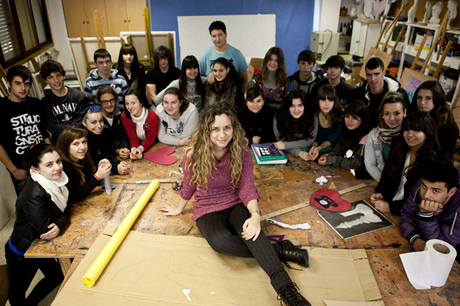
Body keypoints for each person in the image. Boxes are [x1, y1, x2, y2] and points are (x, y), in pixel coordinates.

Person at [159, 104, 311, 306]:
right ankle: (280, 249)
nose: (222, 134)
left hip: (235, 201)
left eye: (227, 128)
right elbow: (189, 183)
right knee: (221, 243)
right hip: (207, 206)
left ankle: (288, 291)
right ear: (206, 130)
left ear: (234, 128)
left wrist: (255, 215)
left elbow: (247, 187)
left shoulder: (242, 151)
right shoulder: (192, 154)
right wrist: (179, 208)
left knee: (253, 235)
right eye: (215, 129)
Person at [5, 143, 69, 305]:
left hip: (38, 245)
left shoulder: (54, 180)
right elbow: (45, 230)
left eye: (58, 161)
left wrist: (62, 219)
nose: (57, 167)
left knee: (56, 276)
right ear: (35, 169)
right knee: (18, 292)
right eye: (49, 164)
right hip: (23, 250)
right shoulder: (35, 194)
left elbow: (66, 207)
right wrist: (63, 220)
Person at [371, 112, 448, 215]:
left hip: (413, 215)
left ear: (428, 134)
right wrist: (380, 193)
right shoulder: (399, 147)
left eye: (416, 130)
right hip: (388, 206)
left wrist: (392, 208)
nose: (409, 134)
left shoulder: (438, 159)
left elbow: (429, 198)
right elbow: (386, 176)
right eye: (406, 129)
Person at [0, 65, 51, 195]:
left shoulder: (36, 104)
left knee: (50, 199)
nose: (23, 88)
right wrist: (14, 170)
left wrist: (52, 155)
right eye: (18, 83)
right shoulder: (1, 108)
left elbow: (43, 133)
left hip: (43, 163)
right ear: (8, 83)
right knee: (29, 205)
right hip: (20, 169)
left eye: (27, 84)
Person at [400, 161, 460, 262]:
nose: (426, 195)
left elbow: (439, 245)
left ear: (452, 191)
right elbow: (407, 213)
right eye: (424, 187)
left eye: (435, 191)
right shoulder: (423, 184)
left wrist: (425, 216)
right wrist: (414, 238)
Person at [318, 100, 373, 179]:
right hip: (357, 174)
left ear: (362, 119)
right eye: (347, 116)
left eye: (354, 118)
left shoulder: (367, 137)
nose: (349, 121)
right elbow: (339, 149)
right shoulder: (348, 129)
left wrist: (333, 160)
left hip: (369, 177)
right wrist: (329, 155)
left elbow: (356, 163)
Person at [56, 126, 112, 203]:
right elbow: (75, 195)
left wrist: (100, 168)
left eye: (84, 142)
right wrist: (98, 176)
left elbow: (89, 182)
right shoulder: (63, 167)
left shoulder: (83, 159)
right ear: (65, 147)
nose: (82, 147)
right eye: (76, 144)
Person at [351, 57, 409, 125]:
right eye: (369, 75)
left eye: (376, 74)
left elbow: (407, 119)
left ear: (383, 73)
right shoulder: (357, 94)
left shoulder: (399, 94)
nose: (373, 79)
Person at [79, 100, 130, 175]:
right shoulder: (80, 138)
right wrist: (115, 168)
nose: (99, 126)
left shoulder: (106, 131)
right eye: (93, 122)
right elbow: (89, 167)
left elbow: (108, 156)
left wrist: (119, 164)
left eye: (101, 121)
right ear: (84, 122)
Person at [410, 80, 458, 158]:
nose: (422, 102)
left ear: (437, 99)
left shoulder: (448, 126)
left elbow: (445, 159)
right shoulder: (412, 117)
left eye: (428, 98)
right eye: (419, 97)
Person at [365, 92, 407, 182]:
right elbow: (370, 164)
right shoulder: (374, 135)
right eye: (387, 114)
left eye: (396, 113)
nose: (392, 118)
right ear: (383, 114)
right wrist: (385, 183)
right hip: (381, 182)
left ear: (404, 112)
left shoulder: (410, 135)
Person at [40, 60, 85, 142]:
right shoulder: (45, 102)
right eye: (51, 77)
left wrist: (61, 125)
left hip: (80, 140)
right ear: (46, 80)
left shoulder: (79, 96)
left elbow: (85, 122)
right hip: (60, 144)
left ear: (64, 76)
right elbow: (53, 129)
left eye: (58, 75)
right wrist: (76, 123)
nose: (56, 80)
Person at [198, 20, 249, 93]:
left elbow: (244, 79)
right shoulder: (205, 56)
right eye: (214, 36)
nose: (217, 39)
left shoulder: (237, 54)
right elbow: (198, 79)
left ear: (226, 33)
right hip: (211, 100)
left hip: (232, 99)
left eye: (220, 35)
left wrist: (242, 96)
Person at [273, 90, 318, 160]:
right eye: (292, 105)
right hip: (288, 154)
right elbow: (280, 143)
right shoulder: (279, 117)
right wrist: (298, 152)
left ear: (305, 106)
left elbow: (309, 141)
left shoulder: (312, 117)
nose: (296, 110)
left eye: (300, 105)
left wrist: (286, 145)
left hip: (308, 152)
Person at [307, 85, 343, 161]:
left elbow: (331, 139)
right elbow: (316, 137)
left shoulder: (340, 117)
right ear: (318, 101)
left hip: (333, 155)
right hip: (314, 152)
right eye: (323, 100)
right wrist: (314, 147)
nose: (327, 104)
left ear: (334, 101)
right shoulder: (314, 114)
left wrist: (318, 148)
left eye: (330, 100)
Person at [121, 87, 160, 159]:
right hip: (141, 144)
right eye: (127, 103)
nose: (130, 107)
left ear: (141, 102)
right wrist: (133, 150)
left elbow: (151, 139)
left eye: (133, 103)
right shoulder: (124, 116)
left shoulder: (153, 117)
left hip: (154, 145)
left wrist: (140, 149)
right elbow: (133, 138)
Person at [95, 85, 130, 159]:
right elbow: (101, 144)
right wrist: (116, 150)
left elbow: (124, 133)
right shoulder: (96, 117)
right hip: (105, 155)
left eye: (112, 100)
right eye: (105, 102)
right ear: (99, 102)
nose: (109, 104)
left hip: (122, 151)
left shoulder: (121, 112)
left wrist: (125, 148)